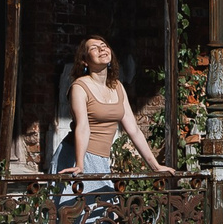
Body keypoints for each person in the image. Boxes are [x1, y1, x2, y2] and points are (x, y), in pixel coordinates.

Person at [59, 35, 172, 185]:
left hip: (101, 158)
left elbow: (134, 130)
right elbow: (83, 126)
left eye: (103, 46)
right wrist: (80, 164)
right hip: (77, 156)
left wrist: (155, 166)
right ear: (84, 61)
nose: (101, 49)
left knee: (104, 200)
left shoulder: (117, 86)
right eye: (94, 48)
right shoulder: (79, 87)